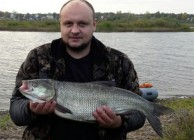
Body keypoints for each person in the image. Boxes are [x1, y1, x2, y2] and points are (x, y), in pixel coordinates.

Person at [9, 0, 146, 139]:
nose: (75, 30)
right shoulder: (38, 57)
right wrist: (30, 109)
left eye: (82, 24)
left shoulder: (120, 62)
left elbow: (140, 114)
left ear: (94, 25)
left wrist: (119, 122)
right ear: (60, 25)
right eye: (68, 24)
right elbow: (15, 110)